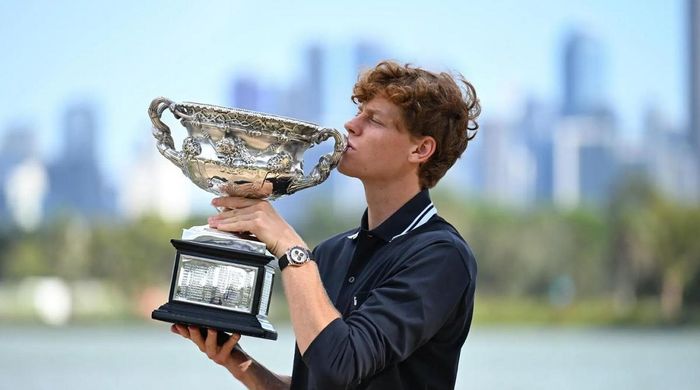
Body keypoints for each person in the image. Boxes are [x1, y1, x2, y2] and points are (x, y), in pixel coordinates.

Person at [171, 60, 481, 389]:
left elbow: (340, 364)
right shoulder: (332, 253)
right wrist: (240, 364)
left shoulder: (441, 256)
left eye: (373, 119)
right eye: (359, 111)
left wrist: (290, 248)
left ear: (421, 148)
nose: (351, 124)